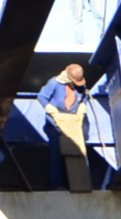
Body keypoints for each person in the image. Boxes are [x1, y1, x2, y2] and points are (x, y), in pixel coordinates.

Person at [38, 63, 95, 191]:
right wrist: (51, 109)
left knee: (80, 151)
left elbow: (84, 97)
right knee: (57, 153)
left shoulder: (80, 85)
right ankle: (58, 184)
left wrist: (82, 107)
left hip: (74, 123)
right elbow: (42, 97)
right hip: (56, 122)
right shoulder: (54, 82)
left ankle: (82, 183)